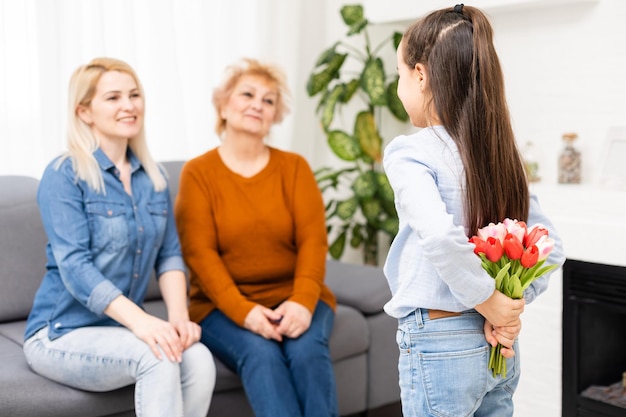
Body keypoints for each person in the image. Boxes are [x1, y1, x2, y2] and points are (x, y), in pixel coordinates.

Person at [382, 5, 565, 417]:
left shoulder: (410, 151)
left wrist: (490, 301)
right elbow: (550, 248)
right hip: (499, 342)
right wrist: (509, 304)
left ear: (421, 75)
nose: (399, 86)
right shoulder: (500, 154)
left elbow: (439, 235)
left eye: (399, 73)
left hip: (440, 342)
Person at [23, 57, 216, 417]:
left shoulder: (153, 177)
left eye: (134, 95)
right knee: (157, 356)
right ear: (84, 111)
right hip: (60, 332)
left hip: (120, 330)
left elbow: (169, 255)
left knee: (199, 359)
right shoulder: (64, 174)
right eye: (113, 98)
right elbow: (76, 267)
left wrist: (177, 317)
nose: (128, 106)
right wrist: (143, 322)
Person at [174, 58, 338, 417]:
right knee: (261, 355)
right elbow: (199, 254)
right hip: (221, 306)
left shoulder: (294, 168)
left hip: (297, 295)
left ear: (276, 115)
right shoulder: (198, 173)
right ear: (223, 104)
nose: (257, 105)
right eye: (247, 94)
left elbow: (314, 242)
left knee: (306, 351)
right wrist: (244, 312)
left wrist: (301, 302)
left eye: (268, 100)